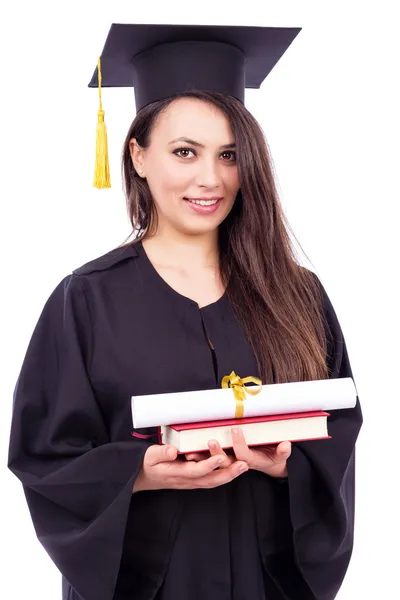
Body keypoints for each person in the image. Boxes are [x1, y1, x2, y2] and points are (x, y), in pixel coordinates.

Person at [7, 22, 363, 600]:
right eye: (184, 152)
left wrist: (286, 464)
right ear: (138, 156)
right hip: (149, 585)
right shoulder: (87, 299)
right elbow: (44, 458)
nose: (210, 178)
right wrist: (142, 472)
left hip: (264, 581)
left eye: (229, 154)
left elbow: (340, 432)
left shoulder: (298, 294)